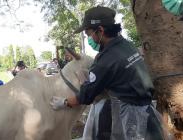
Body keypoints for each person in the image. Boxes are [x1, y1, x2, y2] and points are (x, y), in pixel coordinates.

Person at [50, 6, 169, 140]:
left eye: (89, 34)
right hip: (148, 110)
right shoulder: (127, 45)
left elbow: (86, 96)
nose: (89, 38)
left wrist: (64, 102)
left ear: (100, 30)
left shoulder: (105, 61)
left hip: (132, 117)